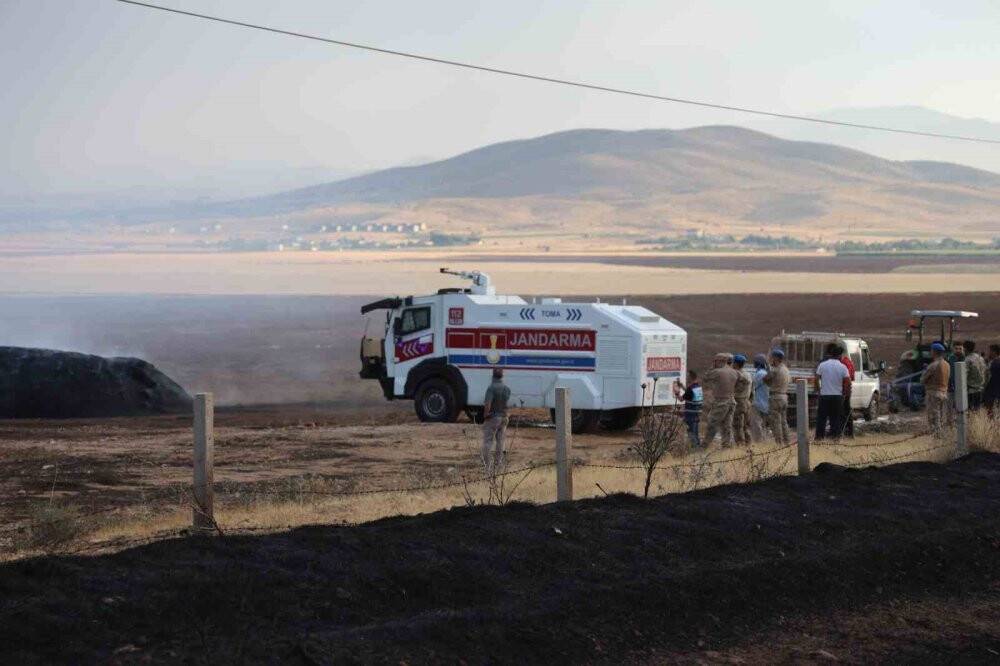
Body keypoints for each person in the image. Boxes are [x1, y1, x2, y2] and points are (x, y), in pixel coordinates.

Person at [703, 353, 740, 447]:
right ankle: (726, 445)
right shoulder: (734, 372)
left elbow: (706, 377)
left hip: (721, 401)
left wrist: (712, 367)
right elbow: (743, 382)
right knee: (727, 425)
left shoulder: (718, 372)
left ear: (720, 361)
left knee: (712, 423)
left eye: (715, 361)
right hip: (731, 401)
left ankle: (704, 446)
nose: (714, 363)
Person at [815, 344, 850, 441]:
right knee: (835, 418)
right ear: (839, 356)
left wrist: (819, 390)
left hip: (824, 395)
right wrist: (845, 393)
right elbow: (848, 382)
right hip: (837, 396)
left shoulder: (822, 365)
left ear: (830, 354)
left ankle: (819, 438)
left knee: (822, 418)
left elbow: (816, 378)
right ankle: (835, 438)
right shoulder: (843, 367)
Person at [481, 368, 511, 473]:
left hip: (493, 418)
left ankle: (487, 466)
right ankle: (498, 466)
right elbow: (507, 404)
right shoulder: (507, 389)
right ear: (502, 376)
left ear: (492, 376)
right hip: (504, 417)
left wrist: (485, 414)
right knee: (500, 442)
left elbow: (488, 403)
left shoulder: (491, 388)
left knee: (488, 442)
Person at [921, 343, 950, 436]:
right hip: (944, 392)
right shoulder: (947, 364)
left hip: (933, 393)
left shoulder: (933, 365)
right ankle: (942, 434)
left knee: (933, 417)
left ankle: (936, 436)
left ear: (934, 352)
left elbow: (923, 380)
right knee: (941, 416)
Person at [763, 348, 792, 445]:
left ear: (776, 358)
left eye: (772, 357)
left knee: (776, 422)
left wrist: (768, 368)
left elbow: (765, 379)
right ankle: (787, 442)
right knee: (784, 422)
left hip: (775, 397)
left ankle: (779, 443)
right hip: (784, 397)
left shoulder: (775, 370)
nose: (771, 359)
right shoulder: (786, 369)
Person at [673, 370, 703, 447]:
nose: (686, 378)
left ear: (690, 377)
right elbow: (690, 394)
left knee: (691, 433)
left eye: (687, 376)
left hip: (690, 414)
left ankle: (695, 450)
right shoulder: (698, 387)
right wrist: (682, 386)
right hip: (696, 413)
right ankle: (698, 448)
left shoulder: (690, 389)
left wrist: (676, 393)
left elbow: (681, 399)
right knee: (695, 433)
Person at [731, 355, 752, 445]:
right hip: (747, 402)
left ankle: (740, 445)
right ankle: (748, 444)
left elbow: (734, 389)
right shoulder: (748, 374)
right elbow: (753, 390)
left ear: (736, 363)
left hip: (739, 402)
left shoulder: (736, 375)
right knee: (746, 426)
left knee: (737, 425)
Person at [750, 353, 770, 442]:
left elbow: (753, 385)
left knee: (756, 423)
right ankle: (764, 440)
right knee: (763, 424)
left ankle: (758, 441)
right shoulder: (765, 373)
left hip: (758, 402)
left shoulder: (760, 374)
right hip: (766, 402)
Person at [963, 340, 987, 411]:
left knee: (971, 411)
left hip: (971, 390)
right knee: (978, 410)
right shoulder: (981, 358)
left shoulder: (968, 360)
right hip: (981, 389)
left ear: (965, 349)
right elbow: (986, 372)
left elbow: (964, 375)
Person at [838, 344, 856, 438]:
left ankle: (843, 432)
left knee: (842, 412)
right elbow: (852, 377)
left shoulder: (844, 363)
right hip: (847, 390)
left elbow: (847, 379)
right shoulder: (849, 362)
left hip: (843, 391)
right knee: (847, 411)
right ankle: (850, 433)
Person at [985, 344, 1000, 415]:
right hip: (996, 391)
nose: (989, 353)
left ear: (994, 352)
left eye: (990, 351)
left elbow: (988, 378)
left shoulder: (994, 363)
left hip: (992, 392)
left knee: (991, 413)